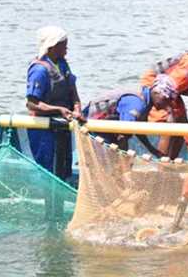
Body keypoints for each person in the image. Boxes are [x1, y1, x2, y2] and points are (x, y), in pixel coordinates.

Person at [26, 26, 83, 181]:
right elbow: (32, 103)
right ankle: (48, 203)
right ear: (52, 46)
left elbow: (73, 91)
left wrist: (77, 108)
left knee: (63, 169)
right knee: (48, 172)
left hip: (62, 126)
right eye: (64, 45)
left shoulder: (62, 64)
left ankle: (58, 202)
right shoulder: (39, 70)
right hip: (43, 129)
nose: (66, 49)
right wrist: (59, 109)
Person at [84, 74, 178, 157]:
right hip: (93, 125)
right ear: (156, 92)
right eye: (166, 99)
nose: (167, 104)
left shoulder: (146, 101)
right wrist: (124, 163)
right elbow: (122, 135)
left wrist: (152, 150)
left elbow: (137, 129)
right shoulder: (137, 103)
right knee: (110, 161)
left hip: (107, 126)